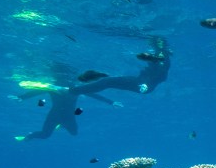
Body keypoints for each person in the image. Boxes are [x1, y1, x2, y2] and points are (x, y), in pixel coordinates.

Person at [15, 38, 171, 140]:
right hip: (56, 112)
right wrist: (22, 97)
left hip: (68, 113)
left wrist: (111, 102)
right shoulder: (61, 87)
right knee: (45, 135)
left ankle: (60, 124)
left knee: (74, 132)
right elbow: (38, 91)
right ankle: (29, 136)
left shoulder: (73, 86)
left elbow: (93, 94)